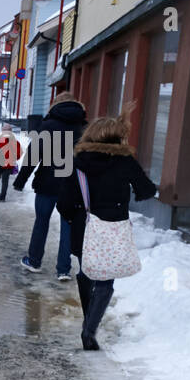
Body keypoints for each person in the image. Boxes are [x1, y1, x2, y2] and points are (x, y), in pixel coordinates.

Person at [56, 116, 157, 350]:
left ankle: (87, 319)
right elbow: (147, 190)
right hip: (113, 226)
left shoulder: (77, 160)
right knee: (105, 281)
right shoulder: (125, 161)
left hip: (85, 225)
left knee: (86, 272)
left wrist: (75, 217)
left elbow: (64, 202)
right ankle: (89, 331)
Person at [15, 92, 87, 281]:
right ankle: (63, 269)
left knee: (41, 222)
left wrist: (21, 180)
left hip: (47, 183)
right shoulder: (84, 128)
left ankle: (34, 261)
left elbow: (33, 155)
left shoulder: (47, 126)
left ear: (55, 105)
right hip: (73, 186)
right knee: (68, 226)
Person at [0, 126, 22, 202]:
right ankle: (2, 197)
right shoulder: (15, 142)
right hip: (9, 165)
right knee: (5, 181)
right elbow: (18, 154)